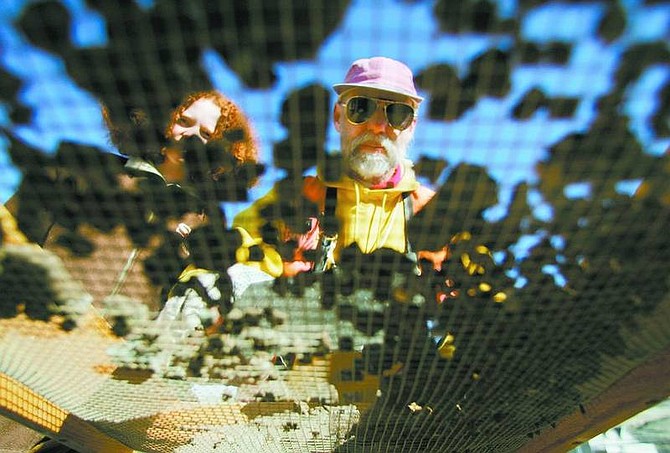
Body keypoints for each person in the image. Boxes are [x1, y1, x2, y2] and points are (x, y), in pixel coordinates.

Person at [233, 56, 450, 278]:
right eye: (361, 107)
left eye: (396, 113)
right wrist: (279, 268)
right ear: (338, 117)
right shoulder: (297, 197)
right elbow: (231, 247)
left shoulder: (436, 212)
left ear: (411, 126)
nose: (377, 126)